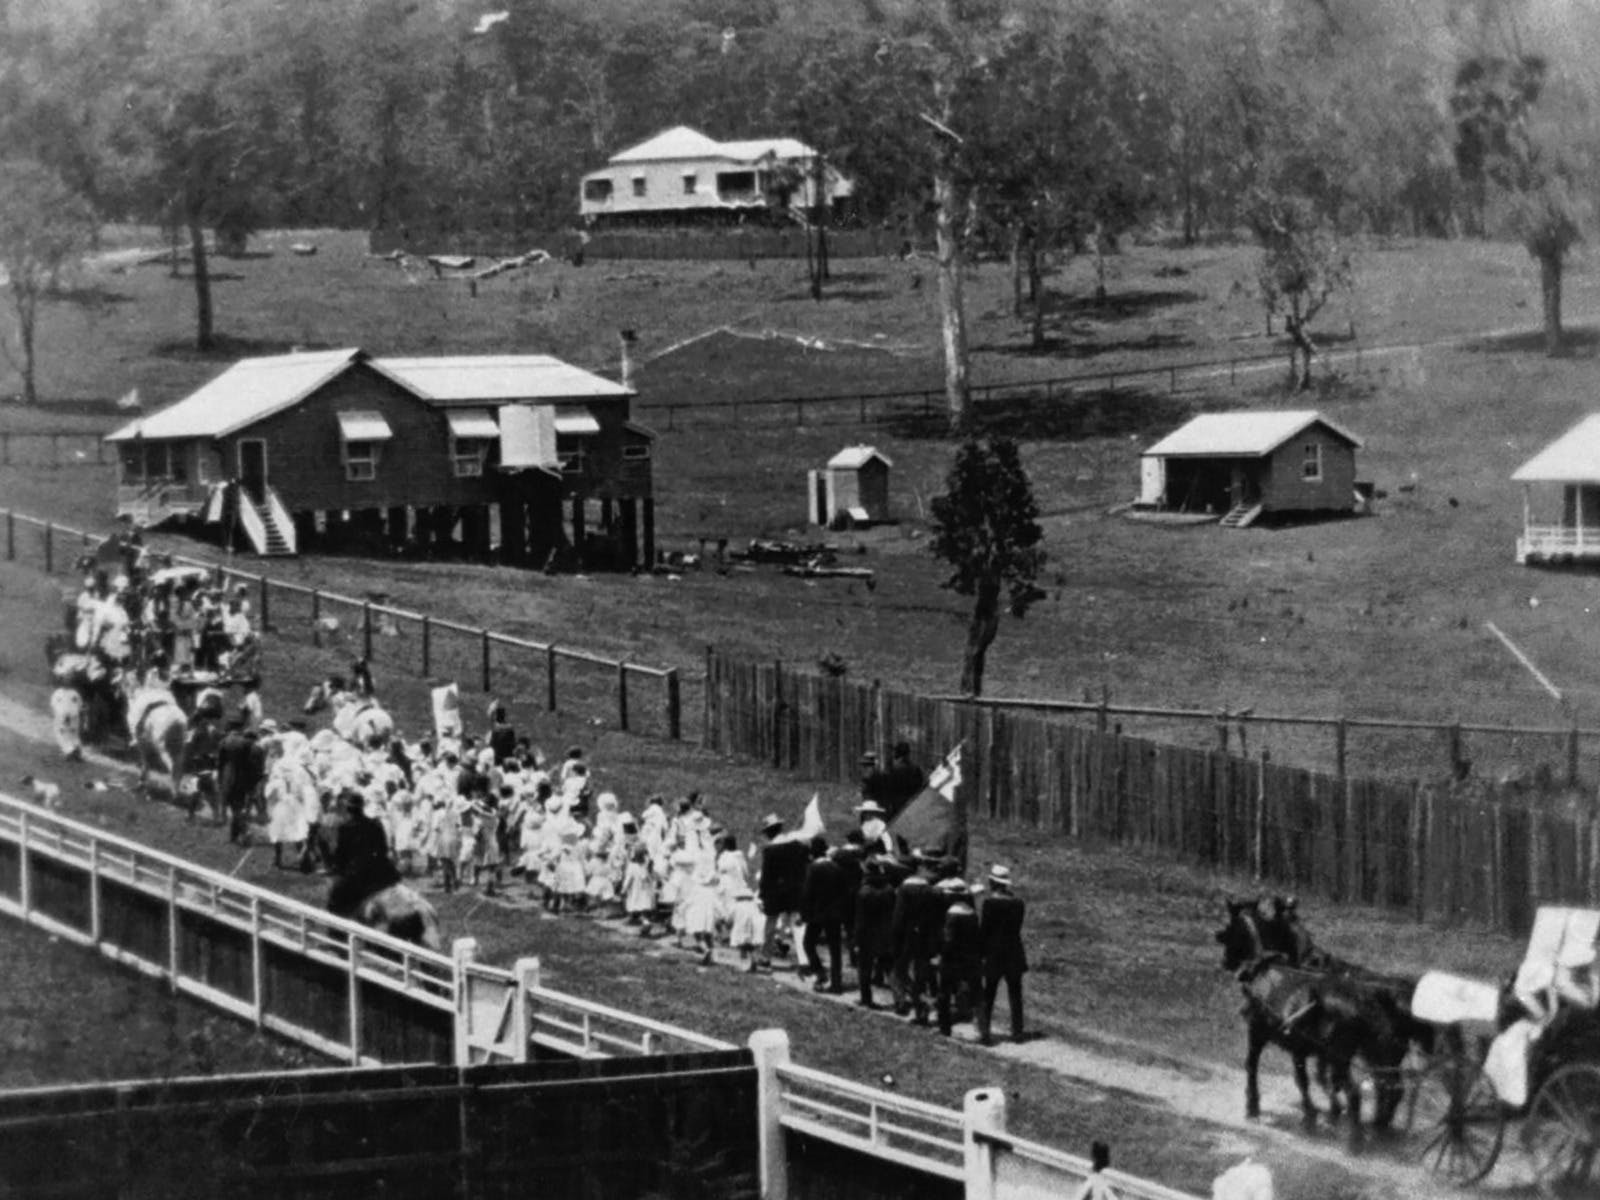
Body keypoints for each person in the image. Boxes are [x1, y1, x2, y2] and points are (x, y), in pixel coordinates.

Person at [327, 788, 400, 918]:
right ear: (362, 808)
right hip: (382, 871)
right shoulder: (376, 824)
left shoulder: (345, 828)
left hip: (358, 875)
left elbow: (340, 856)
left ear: (348, 809)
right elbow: (383, 849)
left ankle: (337, 932)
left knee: (335, 899)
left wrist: (336, 868)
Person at [977, 863, 1028, 1045]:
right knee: (1015, 994)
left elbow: (984, 931)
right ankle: (1018, 1031)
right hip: (1013, 952)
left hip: (994, 953)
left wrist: (980, 952)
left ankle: (985, 1030)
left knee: (989, 993)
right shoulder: (1018, 904)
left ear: (993, 883)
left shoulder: (989, 904)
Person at [890, 852, 943, 1023]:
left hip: (906, 938)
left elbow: (898, 918)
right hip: (926, 938)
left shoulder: (904, 889)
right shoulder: (930, 889)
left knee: (898, 971)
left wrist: (895, 938)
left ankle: (901, 1002)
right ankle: (922, 1009)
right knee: (921, 976)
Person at [754, 814, 809, 972]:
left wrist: (763, 895)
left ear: (769, 833)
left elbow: (766, 876)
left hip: (775, 892)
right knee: (797, 926)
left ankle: (766, 957)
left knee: (770, 926)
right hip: (794, 891)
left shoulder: (770, 850)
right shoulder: (797, 846)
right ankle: (804, 960)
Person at [800, 837, 850, 994]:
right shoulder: (837, 868)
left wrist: (804, 914)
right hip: (835, 914)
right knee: (835, 949)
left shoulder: (813, 868)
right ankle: (836, 982)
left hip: (817, 914)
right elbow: (844, 892)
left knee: (808, 943)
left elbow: (807, 893)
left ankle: (820, 973)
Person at [936, 877, 982, 1036]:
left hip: (952, 960)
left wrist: (941, 955)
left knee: (944, 993)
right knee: (976, 993)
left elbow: (948, 940)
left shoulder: (952, 914)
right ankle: (982, 1028)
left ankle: (944, 1027)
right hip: (970, 958)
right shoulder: (971, 913)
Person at [855, 856, 898, 1009]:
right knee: (889, 966)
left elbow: (860, 920)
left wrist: (856, 941)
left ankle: (866, 998)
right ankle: (900, 1000)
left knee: (865, 968)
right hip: (886, 933)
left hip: (867, 936)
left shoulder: (864, 891)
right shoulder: (889, 889)